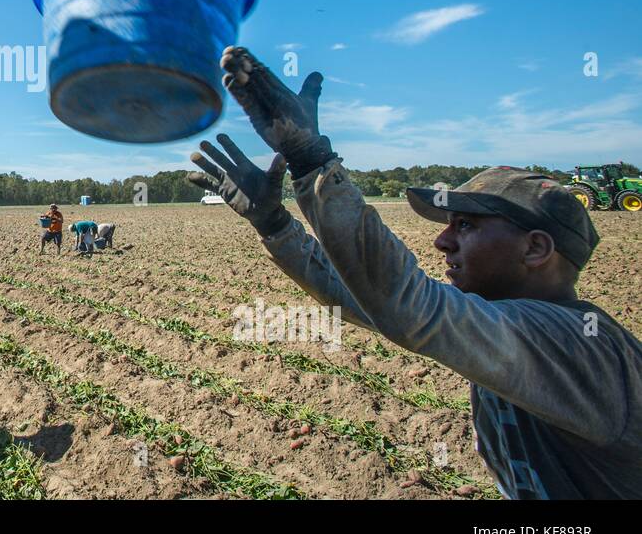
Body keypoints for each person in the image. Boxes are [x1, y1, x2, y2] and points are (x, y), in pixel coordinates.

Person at [189, 45, 642, 499]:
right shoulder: (509, 323)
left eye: (466, 226)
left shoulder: (582, 345)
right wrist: (275, 225)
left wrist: (310, 159)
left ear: (536, 247)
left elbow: (407, 308)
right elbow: (363, 299)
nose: (443, 241)